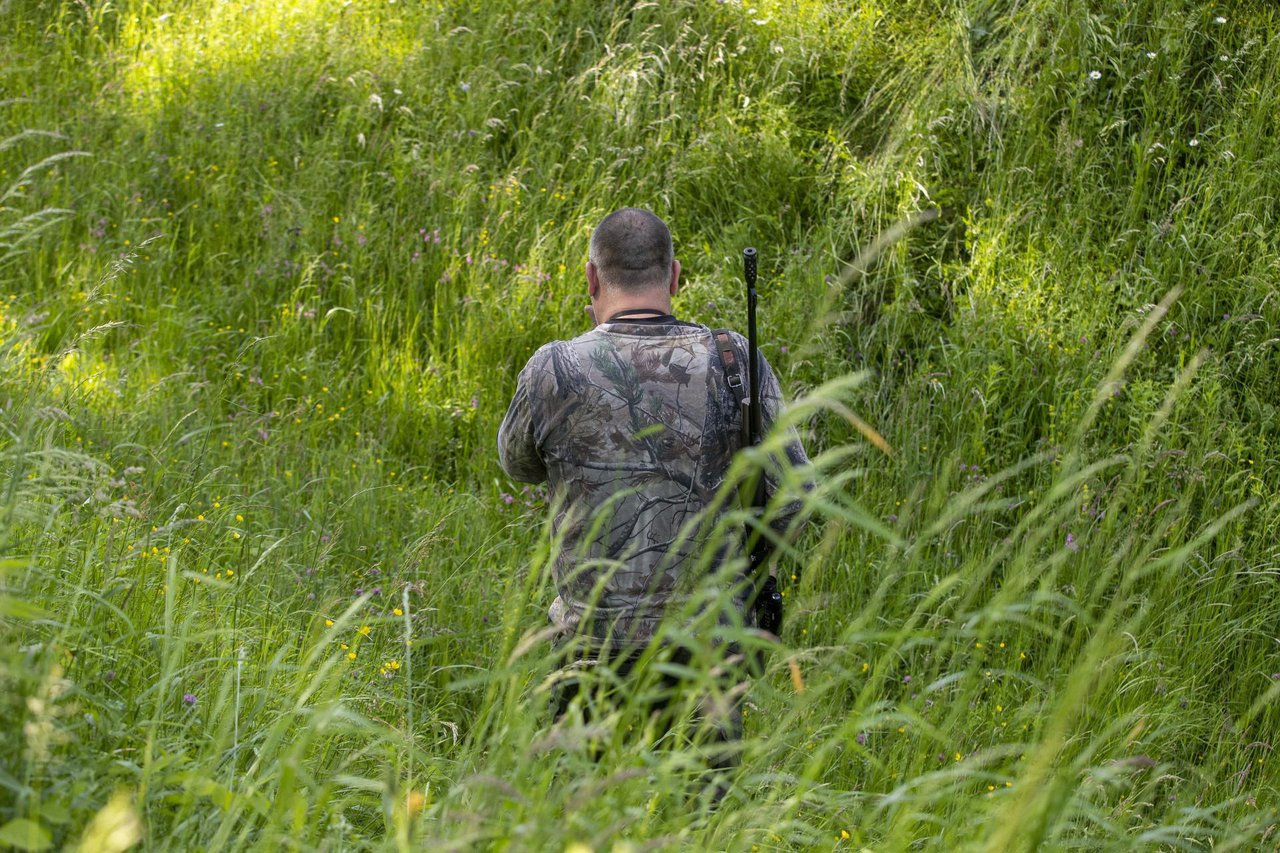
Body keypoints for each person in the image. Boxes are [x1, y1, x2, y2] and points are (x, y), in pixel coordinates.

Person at [497, 207, 809, 772]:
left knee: (584, 826)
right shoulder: (733, 360)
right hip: (706, 655)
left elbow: (518, 464)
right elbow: (795, 493)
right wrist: (750, 571)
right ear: (675, 277)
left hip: (589, 651)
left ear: (592, 279)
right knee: (704, 827)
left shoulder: (554, 368)